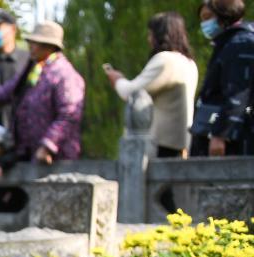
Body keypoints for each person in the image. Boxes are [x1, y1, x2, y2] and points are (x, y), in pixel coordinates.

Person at [0, 21, 85, 164]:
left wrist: (48, 146)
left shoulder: (64, 75)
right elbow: (5, 92)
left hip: (56, 159)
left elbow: (69, 115)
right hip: (31, 156)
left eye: (35, 43)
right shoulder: (34, 71)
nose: (30, 46)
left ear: (48, 46)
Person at [105, 12, 198, 159]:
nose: (149, 39)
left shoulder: (165, 60)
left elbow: (132, 93)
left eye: (151, 34)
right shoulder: (189, 63)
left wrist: (117, 80)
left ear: (160, 36)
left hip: (160, 143)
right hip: (180, 142)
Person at [191, 0, 254, 157]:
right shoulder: (228, 42)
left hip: (234, 140)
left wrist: (220, 135)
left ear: (225, 15)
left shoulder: (241, 43)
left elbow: (238, 94)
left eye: (208, 17)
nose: (205, 24)